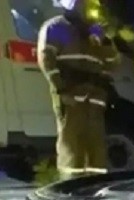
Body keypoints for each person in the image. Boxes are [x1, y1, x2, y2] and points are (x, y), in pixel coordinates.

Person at [38, 0, 118, 179]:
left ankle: (96, 190)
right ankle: (71, 191)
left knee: (97, 152)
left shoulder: (96, 33)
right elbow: (46, 59)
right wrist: (61, 89)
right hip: (70, 98)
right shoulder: (56, 27)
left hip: (95, 102)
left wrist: (104, 40)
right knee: (72, 149)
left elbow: (112, 64)